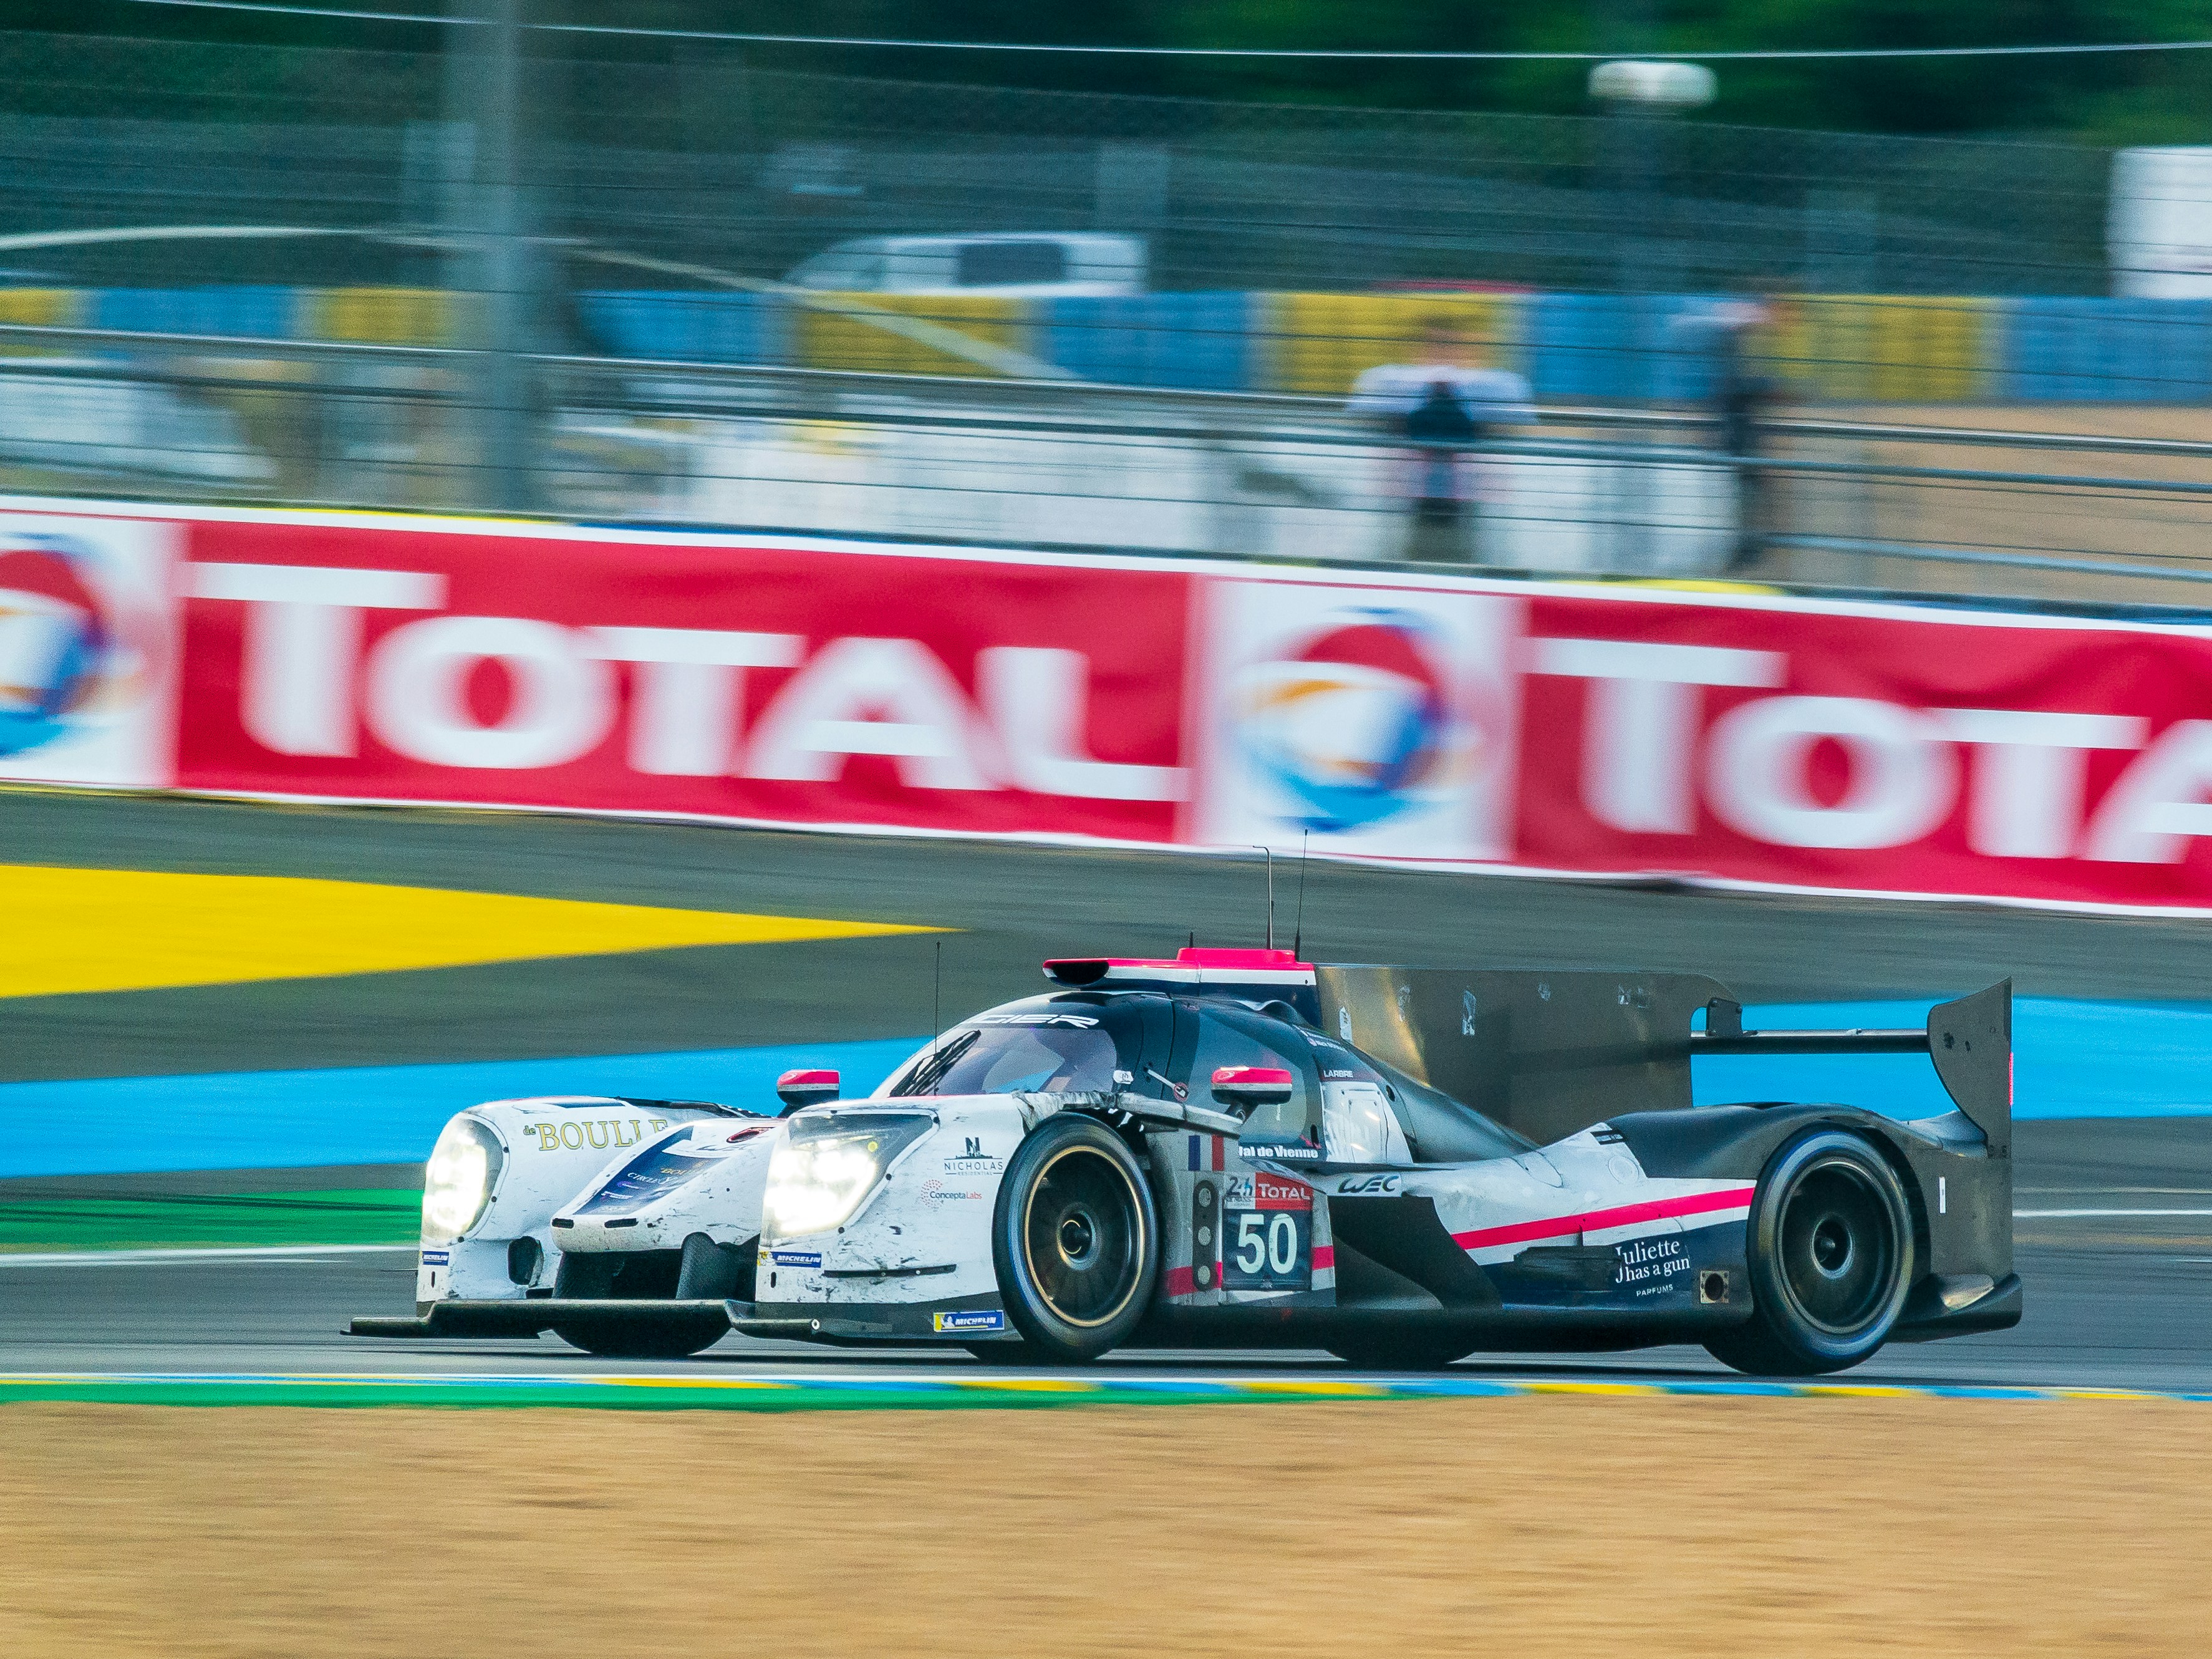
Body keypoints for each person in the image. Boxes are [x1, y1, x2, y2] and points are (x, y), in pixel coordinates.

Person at [1348, 319, 1536, 564]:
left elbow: (1512, 424)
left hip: (1470, 495)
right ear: (1418, 351)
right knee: (1397, 553)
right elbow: (1369, 417)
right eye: (1435, 347)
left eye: (1452, 347)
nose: (1444, 357)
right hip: (1409, 493)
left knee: (1477, 556)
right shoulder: (1394, 383)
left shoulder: (1493, 387)